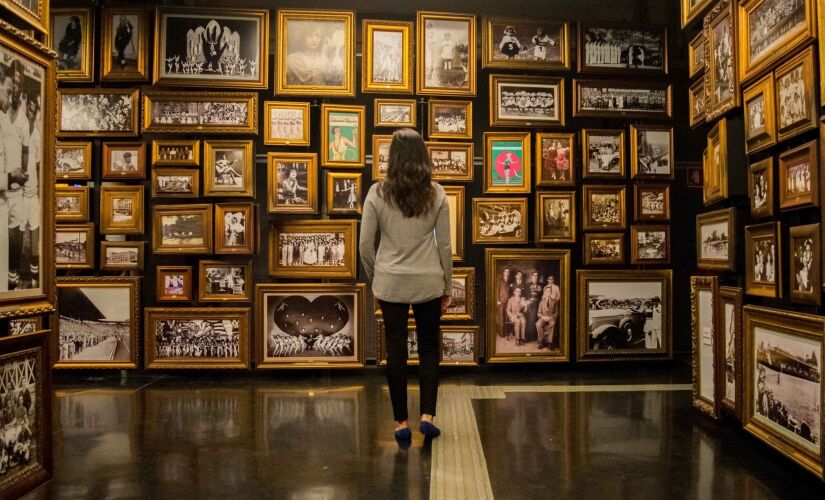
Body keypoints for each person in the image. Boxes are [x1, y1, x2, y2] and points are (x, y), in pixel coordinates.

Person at [360, 128, 452, 442]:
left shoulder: (377, 192)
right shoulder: (437, 193)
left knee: (396, 351)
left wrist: (378, 279)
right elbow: (445, 247)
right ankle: (426, 415)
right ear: (423, 156)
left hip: (391, 281)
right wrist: (448, 286)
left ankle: (401, 424)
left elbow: (364, 246)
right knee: (428, 348)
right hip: (428, 281)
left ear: (393, 158)